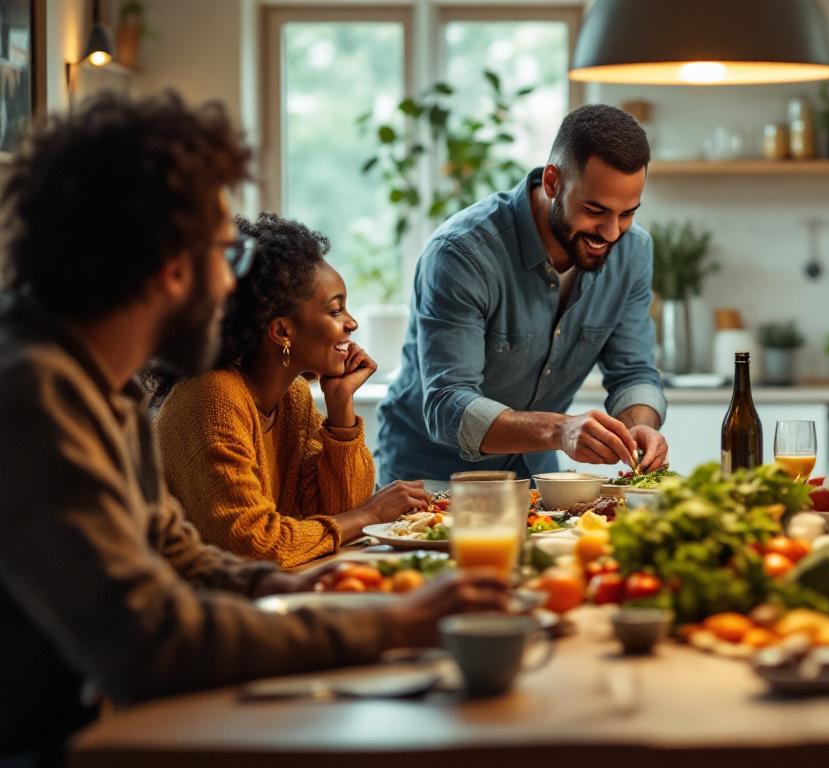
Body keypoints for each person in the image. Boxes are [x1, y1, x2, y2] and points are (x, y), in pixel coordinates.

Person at [0, 92, 507, 766]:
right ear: (170, 268)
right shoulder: (34, 394)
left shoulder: (100, 385)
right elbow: (146, 641)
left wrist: (275, 587)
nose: (231, 285)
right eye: (226, 259)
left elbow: (174, 550)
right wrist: (389, 624)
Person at [377, 104, 669, 483]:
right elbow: (448, 406)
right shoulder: (462, 253)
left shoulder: (633, 251)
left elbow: (633, 370)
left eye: (627, 213)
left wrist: (638, 425)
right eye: (595, 210)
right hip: (429, 478)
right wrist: (560, 431)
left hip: (533, 473)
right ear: (552, 182)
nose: (612, 232)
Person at [152, 213, 431, 567]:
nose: (352, 323)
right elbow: (253, 544)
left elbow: (337, 512)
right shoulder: (212, 397)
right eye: (335, 310)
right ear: (283, 332)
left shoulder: (292, 397)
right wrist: (369, 515)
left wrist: (340, 403)